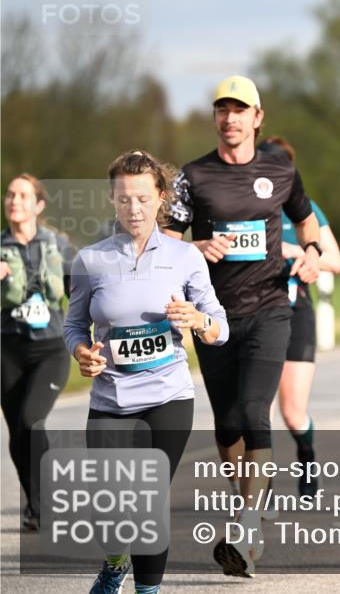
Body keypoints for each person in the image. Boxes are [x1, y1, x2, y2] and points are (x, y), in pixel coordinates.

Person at [164, 76, 321, 577]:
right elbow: (164, 240)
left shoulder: (280, 170)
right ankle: (245, 498)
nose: (229, 118)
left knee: (256, 409)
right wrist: (193, 248)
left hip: (271, 307)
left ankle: (247, 525)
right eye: (221, 110)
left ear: (257, 118)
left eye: (239, 110)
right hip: (211, 314)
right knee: (228, 420)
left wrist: (312, 252)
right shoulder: (193, 176)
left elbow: (307, 219)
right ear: (215, 118)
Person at [64, 151, 228, 594]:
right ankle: (115, 563)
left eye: (142, 198)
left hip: (168, 398)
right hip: (111, 399)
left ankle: (147, 590)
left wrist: (199, 321)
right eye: (123, 199)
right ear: (112, 200)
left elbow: (219, 326)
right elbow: (74, 324)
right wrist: (81, 351)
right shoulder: (90, 260)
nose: (133, 209)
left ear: (160, 198)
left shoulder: (185, 257)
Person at [266, 136, 340, 499]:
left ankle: (306, 455)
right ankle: (254, 490)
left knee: (293, 413)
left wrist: (298, 250)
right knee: (252, 411)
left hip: (296, 311)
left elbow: (335, 261)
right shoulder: (237, 205)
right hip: (251, 312)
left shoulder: (304, 208)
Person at [1, 174, 75, 530]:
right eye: (10, 194)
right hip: (8, 349)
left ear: (38, 205)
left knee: (31, 420)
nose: (14, 200)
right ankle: (36, 505)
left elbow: (80, 290)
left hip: (51, 347)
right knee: (17, 431)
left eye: (23, 195)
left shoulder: (58, 245)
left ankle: (45, 500)